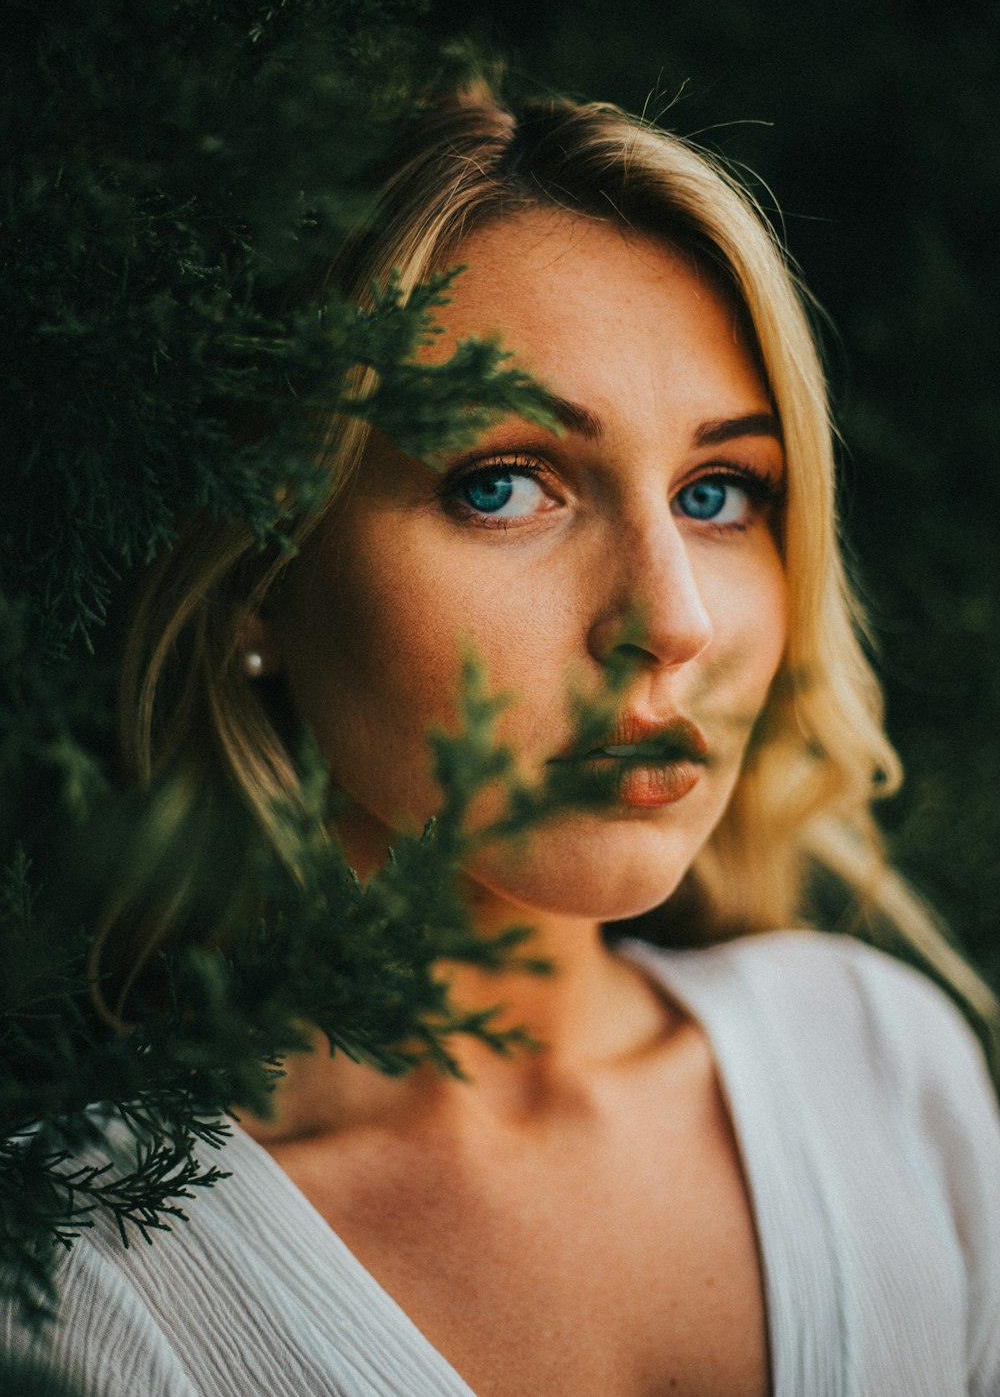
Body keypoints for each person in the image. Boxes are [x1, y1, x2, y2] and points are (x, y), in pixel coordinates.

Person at [7, 81, 1000, 1396]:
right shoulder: (77, 1277)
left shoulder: (887, 1070)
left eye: (720, 492)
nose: (673, 621)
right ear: (260, 580)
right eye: (506, 484)